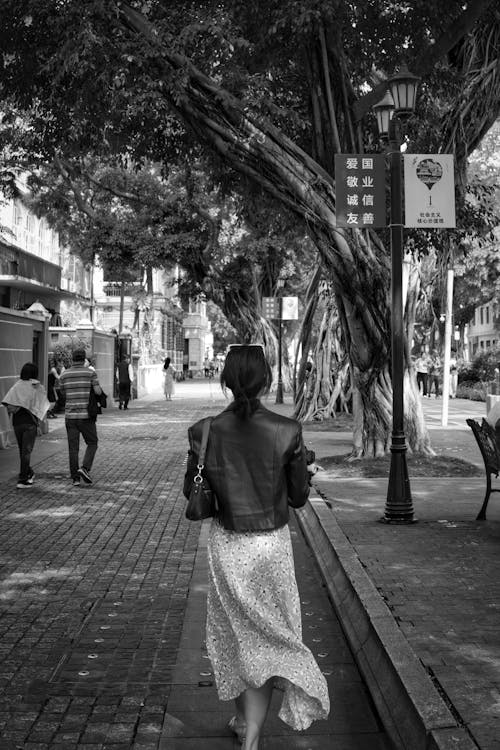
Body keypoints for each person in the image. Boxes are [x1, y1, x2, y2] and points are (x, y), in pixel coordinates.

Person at [183, 345, 329, 750]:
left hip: (227, 546)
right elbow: (298, 497)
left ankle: (246, 726)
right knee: (267, 635)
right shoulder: (288, 430)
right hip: (271, 548)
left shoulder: (204, 430)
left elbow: (191, 490)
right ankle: (250, 732)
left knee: (233, 633)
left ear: (226, 381)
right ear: (266, 380)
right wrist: (305, 472)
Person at [1, 362, 50, 488]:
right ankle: (22, 480)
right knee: (26, 452)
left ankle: (29, 473)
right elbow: (42, 405)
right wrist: (40, 422)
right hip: (29, 423)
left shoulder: (17, 385)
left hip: (17, 422)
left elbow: (7, 401)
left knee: (23, 451)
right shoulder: (36, 386)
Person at [58, 348, 102, 487]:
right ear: (84, 359)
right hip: (86, 416)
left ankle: (75, 479)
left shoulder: (64, 375)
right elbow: (98, 391)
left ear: (72, 359)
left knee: (73, 448)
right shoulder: (90, 373)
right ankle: (85, 468)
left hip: (70, 416)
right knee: (92, 442)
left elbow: (63, 393)